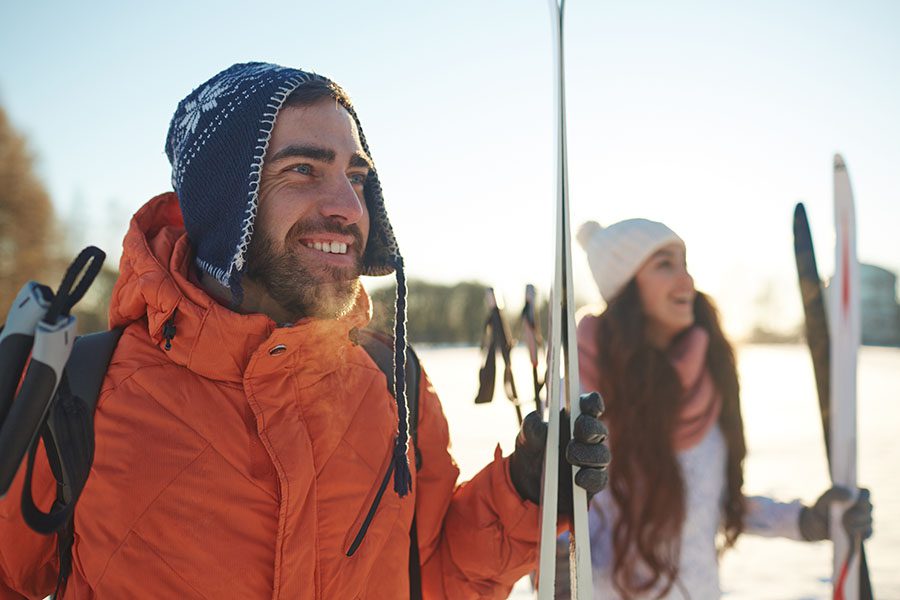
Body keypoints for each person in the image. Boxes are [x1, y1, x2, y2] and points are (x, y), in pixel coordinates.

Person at [0, 62, 609, 599]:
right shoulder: (75, 391)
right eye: (302, 170)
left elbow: (430, 580)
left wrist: (525, 494)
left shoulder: (393, 386)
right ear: (224, 205)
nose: (348, 205)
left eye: (357, 176)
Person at [571, 218, 873, 599]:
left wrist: (805, 521)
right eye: (665, 264)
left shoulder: (709, 380)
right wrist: (557, 555)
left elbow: (718, 504)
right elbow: (559, 511)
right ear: (626, 285)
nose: (687, 281)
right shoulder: (585, 387)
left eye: (685, 264)